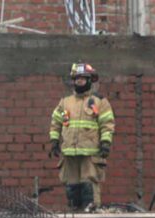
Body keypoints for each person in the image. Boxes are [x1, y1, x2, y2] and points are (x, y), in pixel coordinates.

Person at [49, 63, 115, 210]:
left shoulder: (99, 102)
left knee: (88, 187)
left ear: (90, 80)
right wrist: (54, 141)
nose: (79, 81)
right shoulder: (65, 102)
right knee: (72, 188)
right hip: (69, 154)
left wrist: (105, 143)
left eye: (83, 78)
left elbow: (107, 124)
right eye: (76, 78)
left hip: (90, 154)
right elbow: (56, 122)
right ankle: (76, 217)